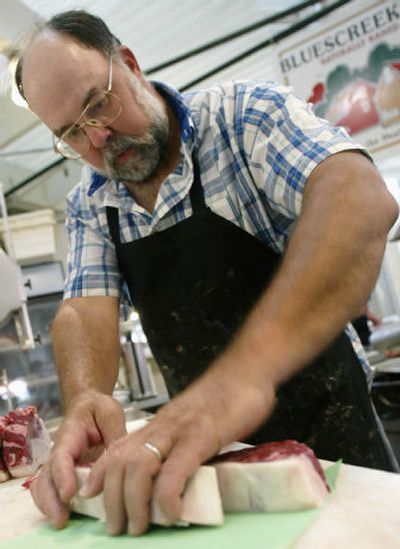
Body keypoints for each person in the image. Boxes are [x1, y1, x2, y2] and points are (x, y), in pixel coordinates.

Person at [15, 9, 399, 536]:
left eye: (98, 105)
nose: (99, 139)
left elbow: (357, 198)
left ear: (128, 63)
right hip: (212, 463)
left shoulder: (243, 118)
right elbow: (85, 309)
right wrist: (85, 396)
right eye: (73, 134)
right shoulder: (91, 202)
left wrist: (245, 376)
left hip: (340, 442)